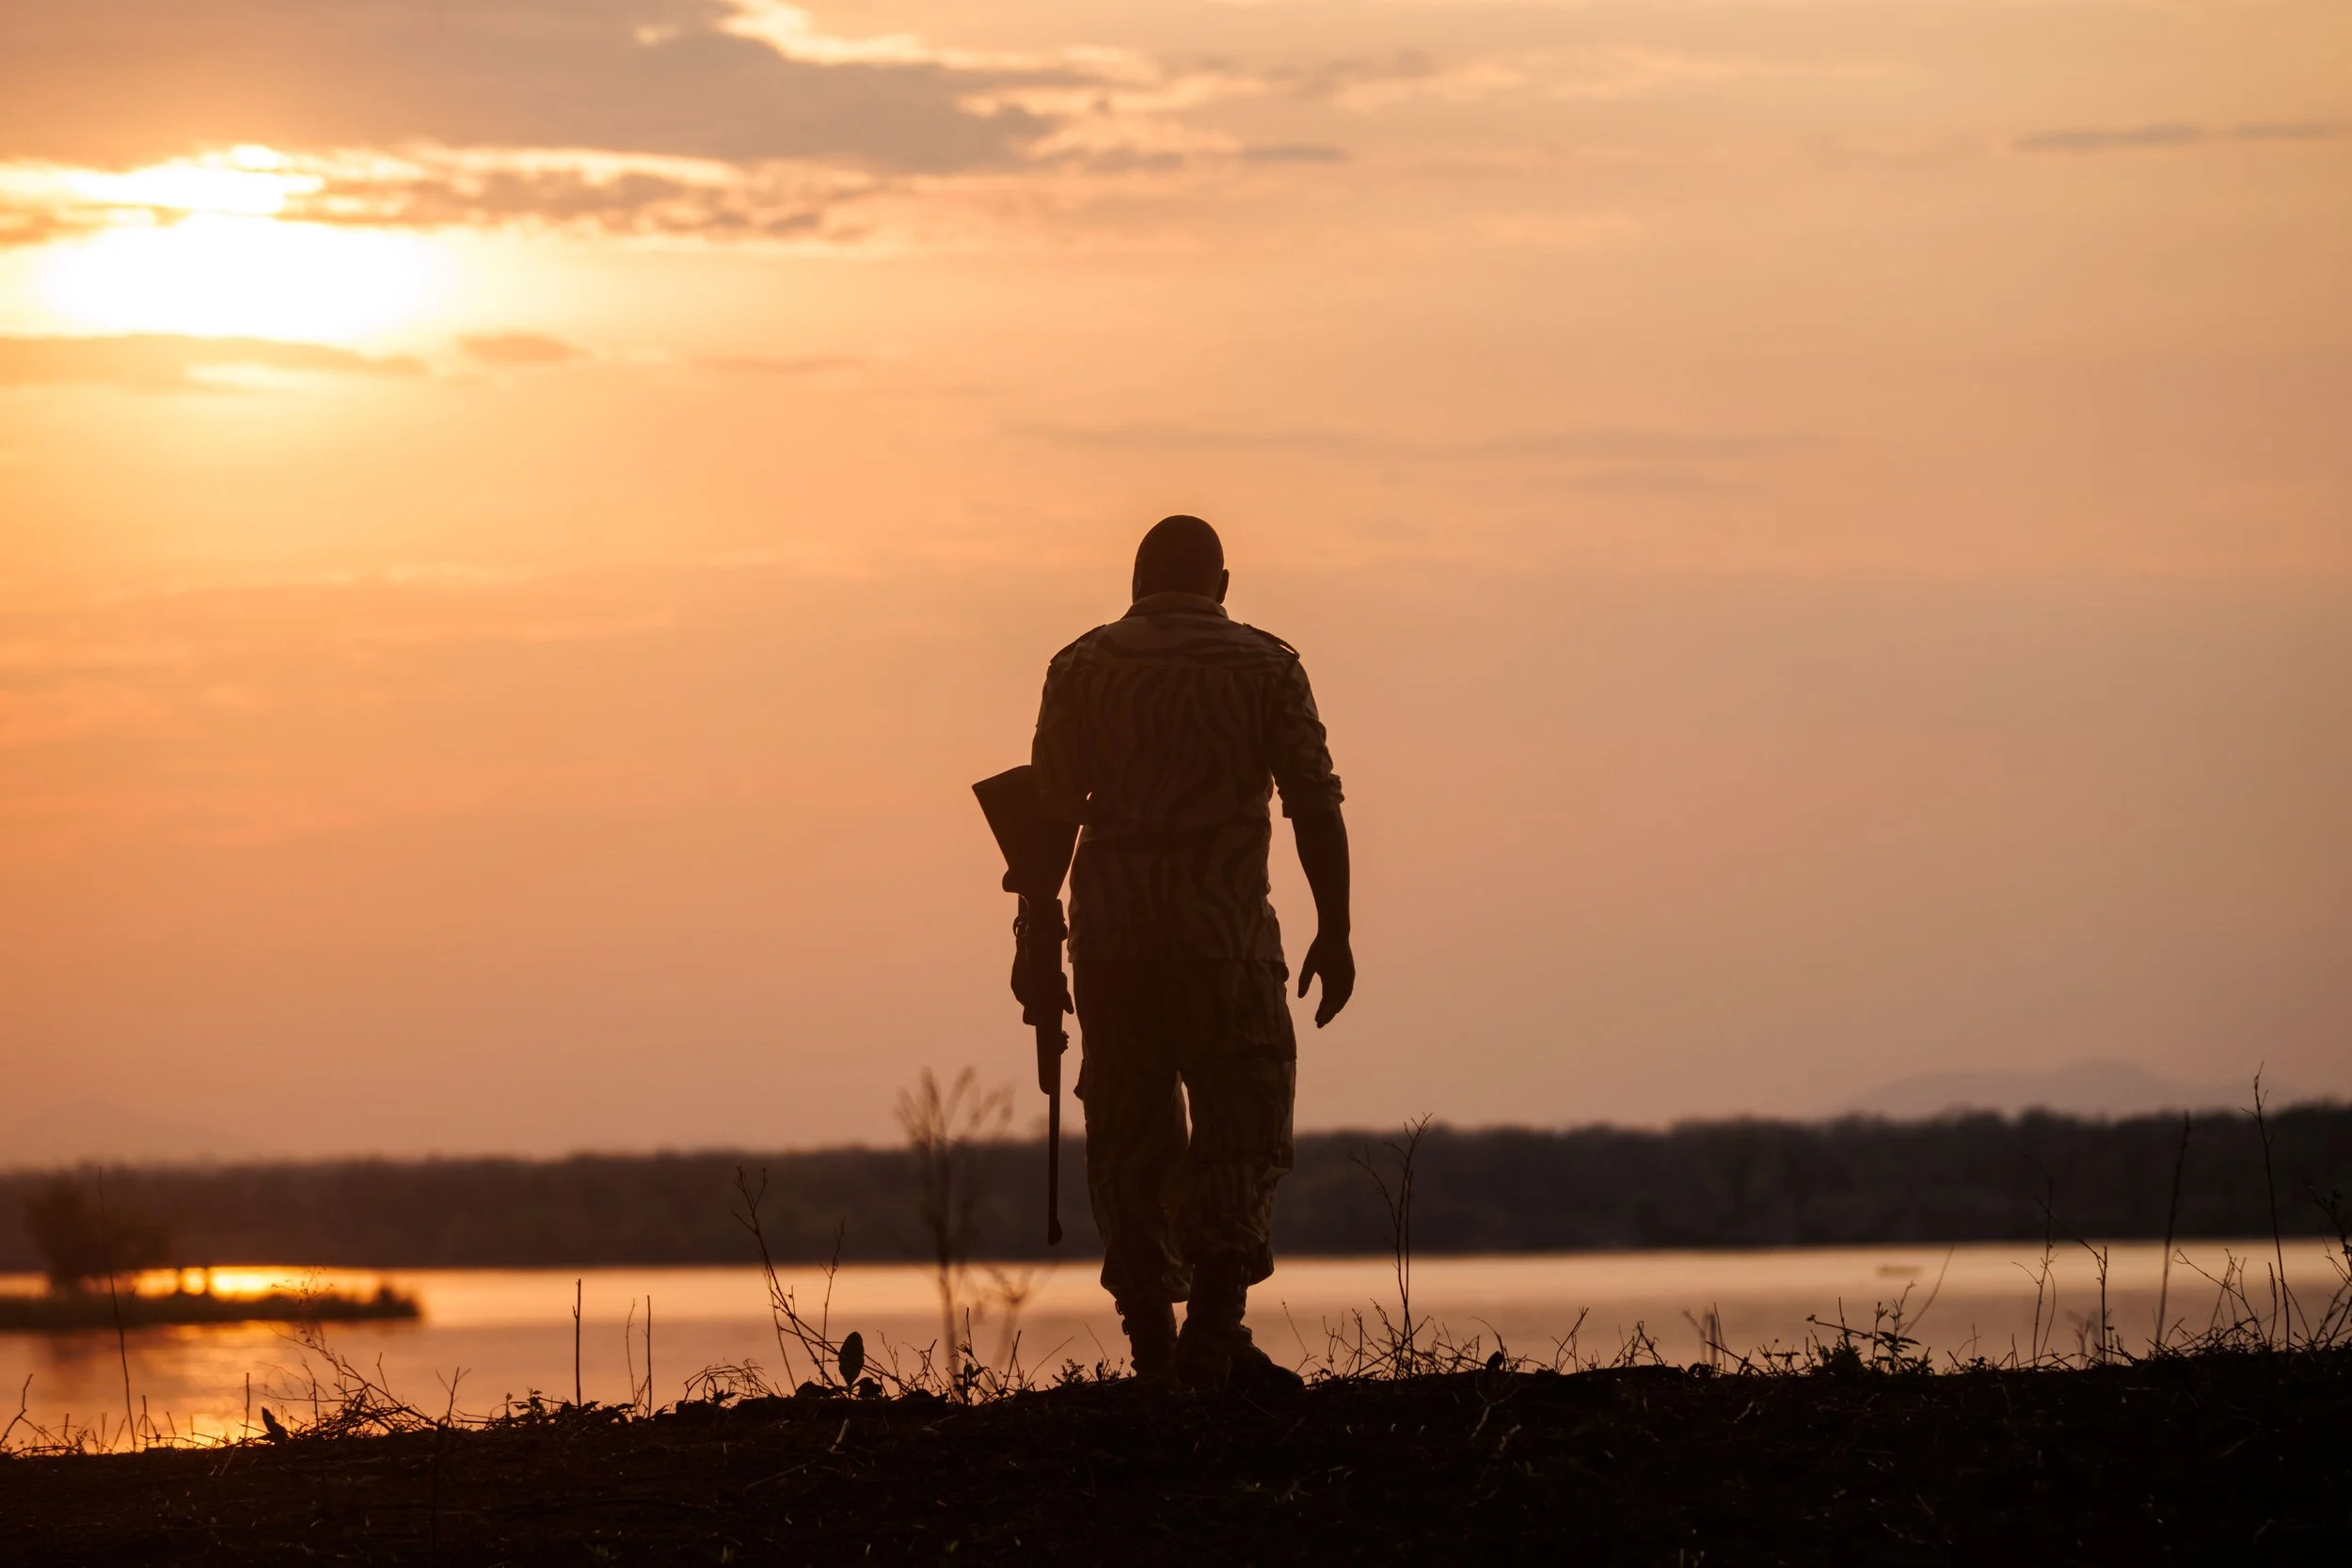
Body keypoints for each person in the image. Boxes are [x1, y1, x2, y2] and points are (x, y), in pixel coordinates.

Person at [1011, 515, 1354, 1393]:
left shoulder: (1081, 665)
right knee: (1243, 1125)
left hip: (1115, 944)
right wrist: (1336, 928)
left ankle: (1154, 1345)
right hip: (1226, 942)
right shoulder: (1267, 665)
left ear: (1133, 583)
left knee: (1128, 1135)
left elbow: (1047, 818)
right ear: (1224, 584)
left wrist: (1034, 944)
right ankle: (1213, 1325)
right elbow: (1313, 802)